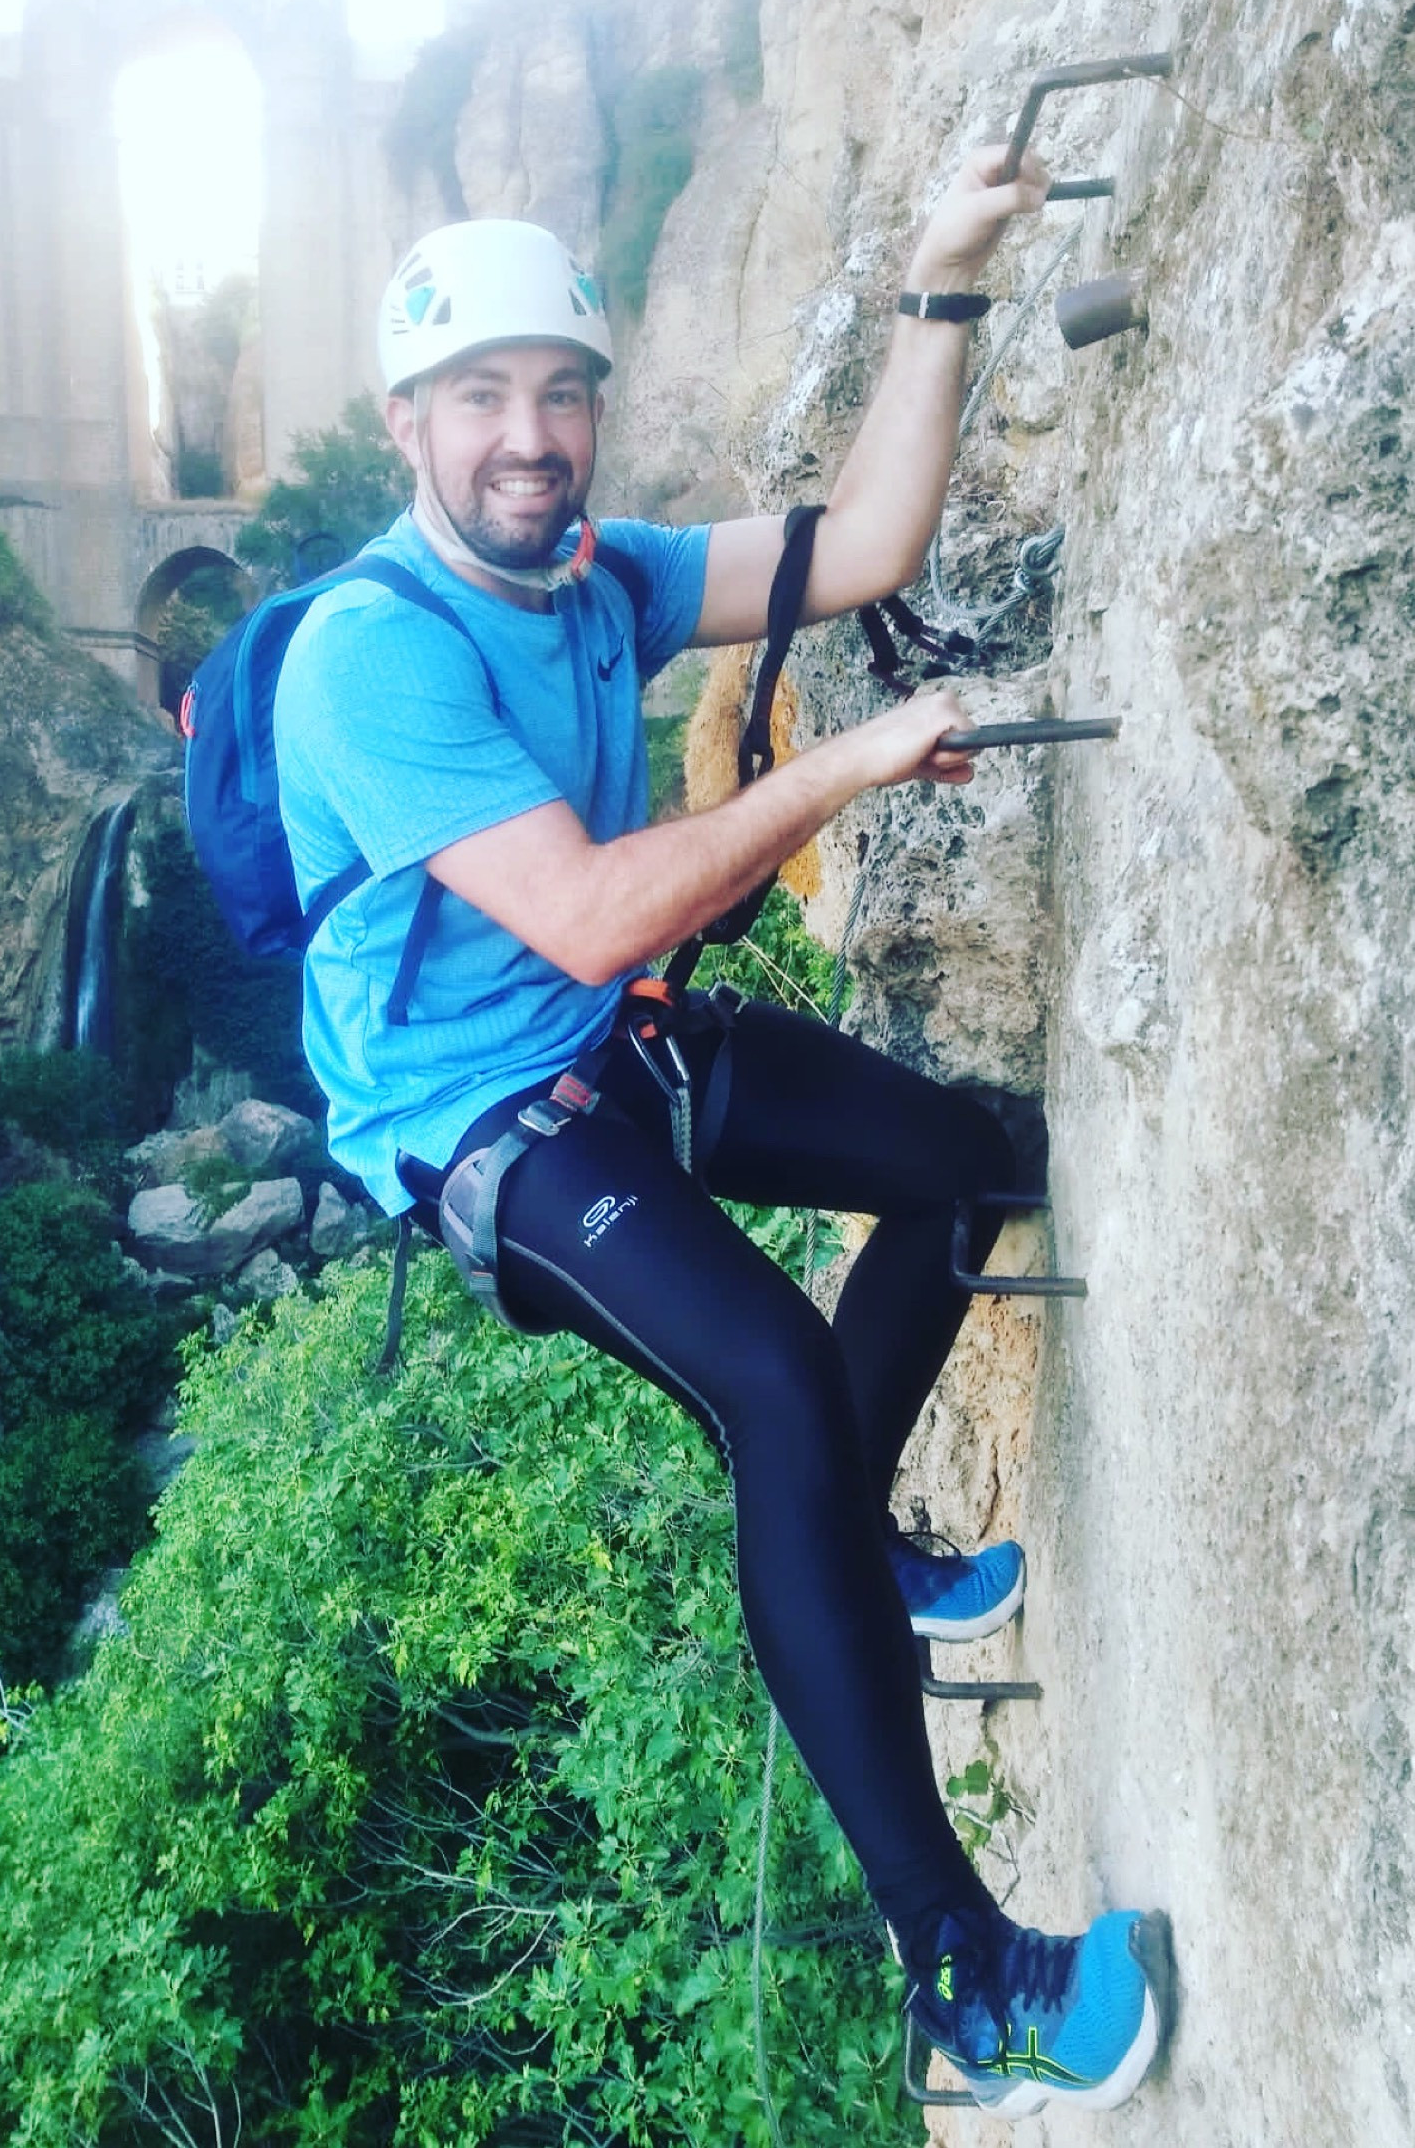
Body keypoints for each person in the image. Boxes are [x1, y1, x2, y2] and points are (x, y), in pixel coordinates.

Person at [274, 149, 1166, 2118]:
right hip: (488, 1122)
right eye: (482, 397)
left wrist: (942, 278)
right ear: (408, 423)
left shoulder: (605, 578)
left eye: (560, 391)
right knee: (773, 1378)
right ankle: (969, 1979)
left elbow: (868, 539)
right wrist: (845, 763)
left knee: (965, 1164)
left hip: (615, 1042)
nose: (530, 435)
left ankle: (853, 1545)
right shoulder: (370, 652)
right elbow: (592, 912)